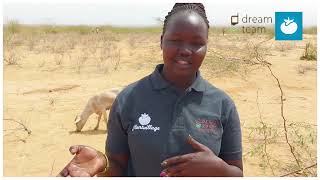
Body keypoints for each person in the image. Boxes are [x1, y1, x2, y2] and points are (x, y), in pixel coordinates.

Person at [59, 3, 243, 177]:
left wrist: (218, 169)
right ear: (162, 41)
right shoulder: (127, 100)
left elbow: (237, 173)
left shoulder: (222, 105)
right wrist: (102, 164)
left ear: (206, 47)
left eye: (197, 43)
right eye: (176, 40)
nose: (186, 50)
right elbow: (117, 166)